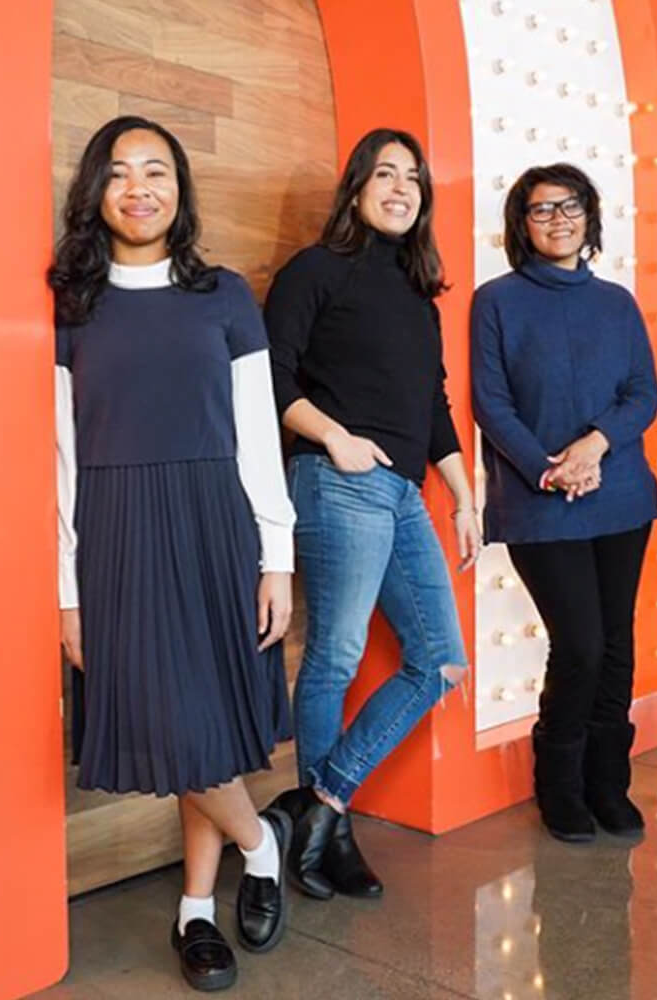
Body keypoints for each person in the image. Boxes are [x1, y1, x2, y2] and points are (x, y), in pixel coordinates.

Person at [52, 116, 296, 991]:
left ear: (181, 189)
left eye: (157, 171)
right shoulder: (70, 302)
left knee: (208, 727)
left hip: (213, 522)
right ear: (97, 192)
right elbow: (60, 457)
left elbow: (259, 437)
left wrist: (278, 559)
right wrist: (65, 592)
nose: (139, 187)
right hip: (116, 530)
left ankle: (196, 910)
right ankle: (262, 841)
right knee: (177, 724)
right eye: (119, 174)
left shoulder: (225, 294)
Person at [265, 128, 479, 896]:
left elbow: (434, 405)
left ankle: (319, 805)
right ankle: (332, 838)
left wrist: (463, 493)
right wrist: (335, 438)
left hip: (403, 492)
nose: (399, 187)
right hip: (337, 479)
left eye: (412, 178)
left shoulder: (420, 295)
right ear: (356, 188)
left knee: (440, 661)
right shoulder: (316, 271)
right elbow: (270, 377)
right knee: (337, 656)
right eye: (383, 174)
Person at [470, 163, 657, 842]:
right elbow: (490, 402)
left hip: (620, 493)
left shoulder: (617, 302)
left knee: (615, 644)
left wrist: (594, 448)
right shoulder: (495, 299)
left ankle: (609, 783)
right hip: (538, 499)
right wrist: (549, 469)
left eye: (570, 206)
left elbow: (644, 392)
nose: (558, 219)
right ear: (521, 224)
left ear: (590, 215)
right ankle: (559, 786)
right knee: (578, 643)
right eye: (541, 209)